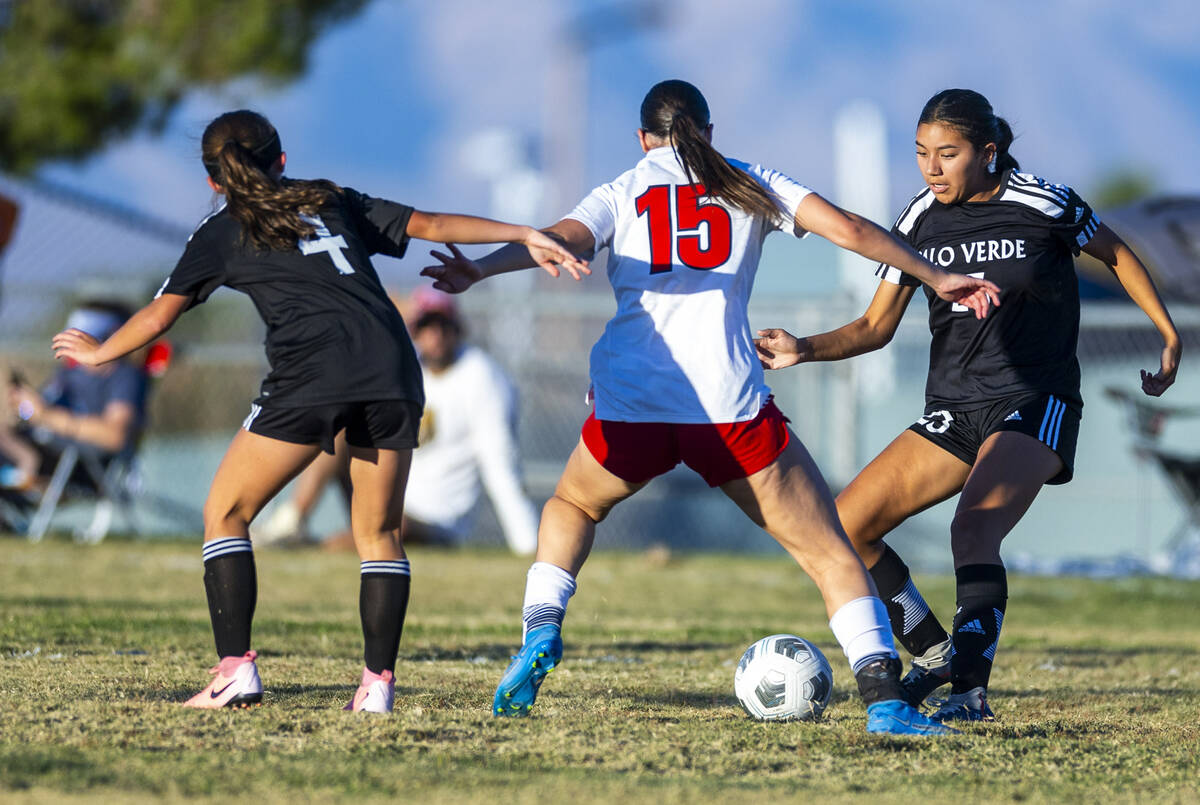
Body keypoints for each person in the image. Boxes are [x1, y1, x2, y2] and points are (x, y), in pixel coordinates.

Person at [422, 80, 1000, 735]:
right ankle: (885, 701)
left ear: (644, 139)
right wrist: (936, 274)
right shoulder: (748, 181)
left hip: (633, 402)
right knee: (829, 551)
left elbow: (558, 239)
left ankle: (540, 628)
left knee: (573, 505)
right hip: (727, 405)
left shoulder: (623, 190)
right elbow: (850, 229)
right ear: (709, 131)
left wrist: (479, 269)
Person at [51, 109, 586, 713]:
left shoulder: (221, 230)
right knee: (379, 533)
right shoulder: (329, 197)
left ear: (214, 182)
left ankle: (235, 672)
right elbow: (432, 222)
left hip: (314, 374)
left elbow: (159, 315)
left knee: (226, 512)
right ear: (281, 159)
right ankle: (376, 687)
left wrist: (100, 353)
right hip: (392, 364)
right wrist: (523, 233)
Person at [755, 88, 1181, 722]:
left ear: (987, 152)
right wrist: (803, 348)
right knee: (846, 527)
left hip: (1036, 399)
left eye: (946, 154)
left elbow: (1117, 254)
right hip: (955, 407)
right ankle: (933, 653)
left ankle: (970, 694)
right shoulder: (919, 218)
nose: (931, 168)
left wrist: (1168, 336)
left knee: (973, 527)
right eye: (922, 153)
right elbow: (874, 327)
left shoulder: (1047, 202)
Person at [255, 286, 540, 555]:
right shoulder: (407, 366)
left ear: (457, 329)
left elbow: (500, 463)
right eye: (426, 326)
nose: (436, 335)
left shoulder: (481, 377)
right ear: (415, 331)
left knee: (391, 528)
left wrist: (526, 542)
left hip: (436, 519)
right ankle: (292, 522)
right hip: (389, 489)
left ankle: (316, 548)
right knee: (340, 431)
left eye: (443, 325)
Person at [3, 300, 148, 494]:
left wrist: (47, 417)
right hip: (36, 449)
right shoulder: (68, 373)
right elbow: (36, 414)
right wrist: (26, 408)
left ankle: (24, 471)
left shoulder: (124, 377)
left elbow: (115, 436)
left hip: (77, 463)